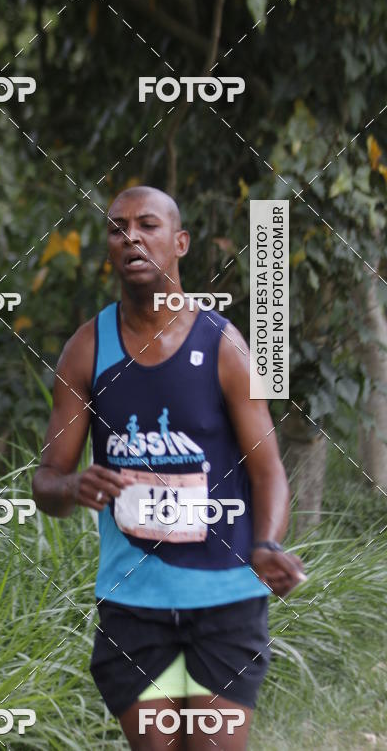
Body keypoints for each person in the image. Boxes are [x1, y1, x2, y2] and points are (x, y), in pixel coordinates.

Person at [32, 185, 305, 750]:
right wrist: (73, 486)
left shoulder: (225, 345)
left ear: (179, 243)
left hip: (226, 598)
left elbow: (268, 470)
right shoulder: (86, 350)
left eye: (147, 225)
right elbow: (46, 481)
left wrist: (269, 544)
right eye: (117, 227)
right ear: (109, 249)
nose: (131, 236)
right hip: (134, 603)